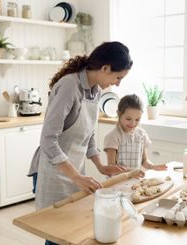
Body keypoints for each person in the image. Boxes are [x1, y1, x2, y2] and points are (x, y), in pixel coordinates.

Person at [28, 41, 132, 245]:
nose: (117, 84)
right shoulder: (69, 86)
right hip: (52, 172)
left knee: (71, 233)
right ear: (105, 68)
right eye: (118, 77)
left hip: (74, 171)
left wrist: (100, 165)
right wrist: (77, 176)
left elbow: (88, 133)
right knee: (56, 236)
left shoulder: (96, 91)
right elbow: (48, 140)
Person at [103, 94, 167, 174]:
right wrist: (131, 173)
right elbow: (111, 168)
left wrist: (154, 167)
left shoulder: (141, 134)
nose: (133, 123)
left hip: (134, 181)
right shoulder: (113, 137)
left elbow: (144, 161)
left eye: (137, 119)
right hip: (117, 182)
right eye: (128, 119)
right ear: (119, 114)